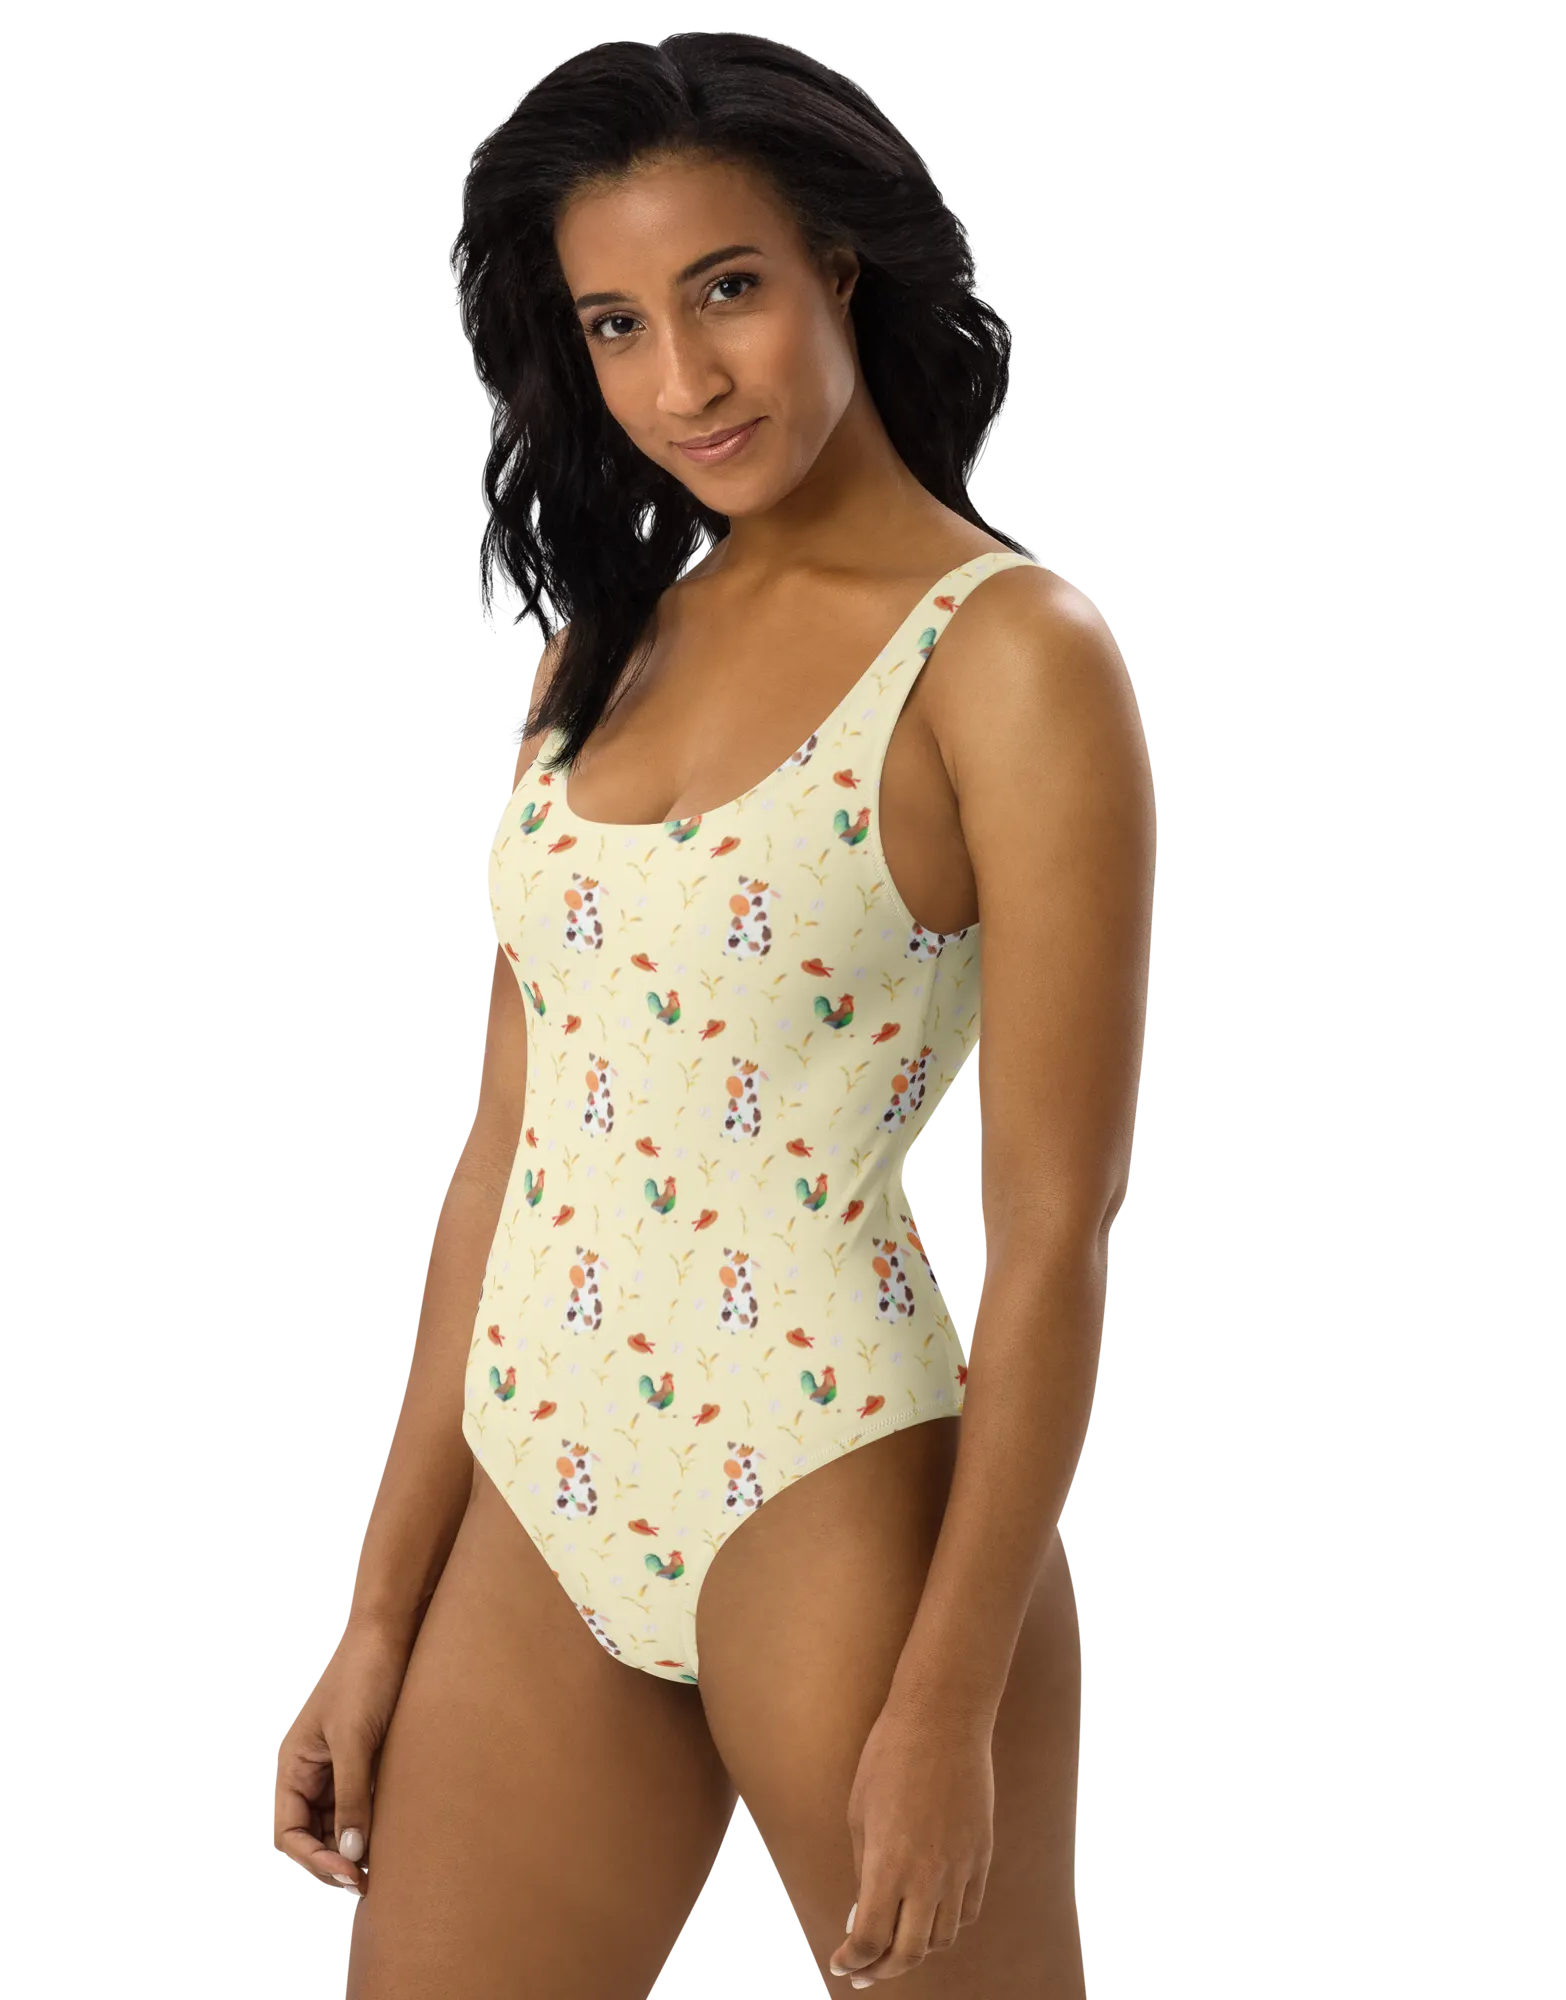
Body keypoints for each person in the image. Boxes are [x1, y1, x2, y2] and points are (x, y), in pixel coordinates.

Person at [273, 30, 1154, 1997]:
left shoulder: (1009, 656)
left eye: (726, 289)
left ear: (839, 265)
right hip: (543, 1477)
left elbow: (1053, 1234)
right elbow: (504, 1151)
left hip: (830, 1480)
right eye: (617, 323)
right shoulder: (599, 652)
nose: (682, 379)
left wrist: (946, 1701)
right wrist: (378, 1613)